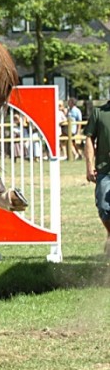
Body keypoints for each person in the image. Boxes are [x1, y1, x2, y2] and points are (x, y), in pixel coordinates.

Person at [83, 101, 110, 257]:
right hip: (105, 171)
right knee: (103, 206)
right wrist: (89, 165)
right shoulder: (99, 113)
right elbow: (89, 139)